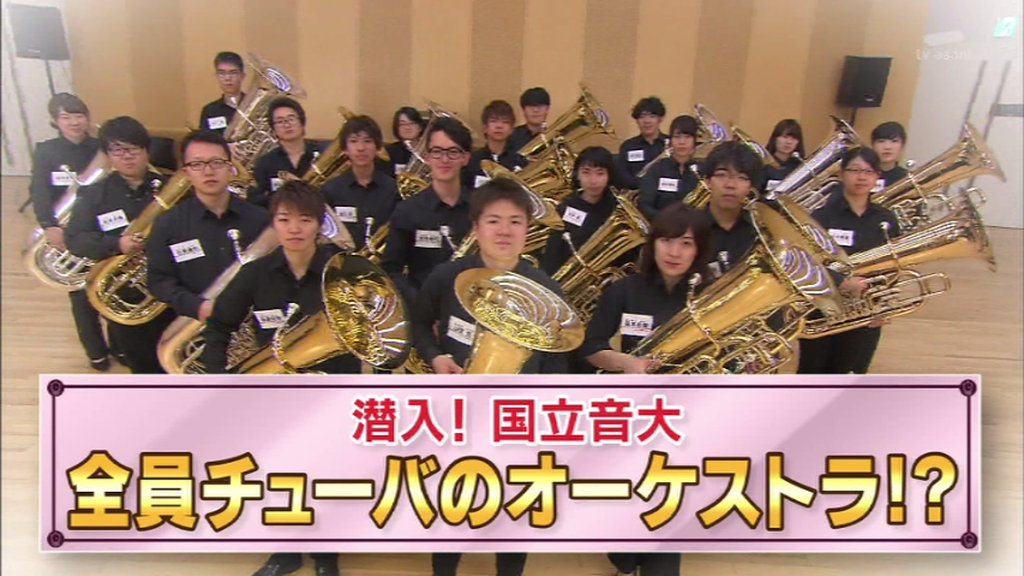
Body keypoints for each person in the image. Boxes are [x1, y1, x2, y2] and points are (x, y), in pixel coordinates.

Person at [413, 178, 570, 576]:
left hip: (518, 418)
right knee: (452, 503)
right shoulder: (446, 276)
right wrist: (435, 356)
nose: (504, 231)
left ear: (528, 229)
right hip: (456, 412)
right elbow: (418, 324)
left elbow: (558, 358)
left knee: (515, 510)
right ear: (476, 227)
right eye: (493, 220)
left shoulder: (545, 289)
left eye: (515, 221)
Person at [65, 116, 175, 374]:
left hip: (171, 292)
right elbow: (75, 238)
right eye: (117, 150)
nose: (127, 156)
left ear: (146, 151)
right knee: (142, 367)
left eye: (133, 148)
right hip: (127, 298)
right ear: (107, 155)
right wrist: (116, 243)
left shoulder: (170, 188)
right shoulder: (94, 194)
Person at [29, 93, 115, 370]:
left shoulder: (101, 148)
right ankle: (96, 352)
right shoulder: (47, 151)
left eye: (79, 115)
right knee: (80, 295)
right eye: (66, 117)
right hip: (68, 232)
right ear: (55, 121)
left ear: (87, 118)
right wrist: (49, 225)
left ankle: (121, 346)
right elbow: (40, 191)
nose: (74, 122)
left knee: (111, 287)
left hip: (102, 229)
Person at [147, 130, 269, 324]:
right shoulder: (168, 224)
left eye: (217, 162)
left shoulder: (260, 219)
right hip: (196, 325)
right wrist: (196, 306)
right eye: (197, 164)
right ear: (186, 173)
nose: (208, 171)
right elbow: (159, 280)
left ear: (230, 168)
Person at [798, 147, 901, 374]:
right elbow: (807, 261)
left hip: (865, 311)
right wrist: (841, 282)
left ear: (877, 176)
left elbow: (895, 265)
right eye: (854, 170)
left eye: (868, 171)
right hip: (823, 308)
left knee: (852, 372)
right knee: (812, 372)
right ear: (841, 174)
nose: (861, 177)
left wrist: (883, 305)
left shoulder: (886, 219)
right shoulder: (820, 217)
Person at [581, 202, 711, 377]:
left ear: (699, 250)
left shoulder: (711, 295)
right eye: (666, 240)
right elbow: (591, 347)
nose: (674, 253)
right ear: (653, 244)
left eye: (686, 244)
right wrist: (625, 362)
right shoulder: (624, 290)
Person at [380, 117, 473, 302]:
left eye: (453, 152)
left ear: (466, 158)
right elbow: (391, 270)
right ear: (427, 157)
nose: (444, 159)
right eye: (437, 151)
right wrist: (421, 301)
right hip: (422, 309)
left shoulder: (480, 209)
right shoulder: (407, 211)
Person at [320, 115, 400, 250]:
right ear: (345, 149)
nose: (361, 148)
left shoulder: (393, 189)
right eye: (354, 141)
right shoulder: (330, 190)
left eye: (367, 141)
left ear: (377, 147)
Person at [539, 146, 620, 275]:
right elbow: (552, 255)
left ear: (609, 176)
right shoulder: (565, 209)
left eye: (600, 173)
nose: (593, 180)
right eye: (586, 172)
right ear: (577, 174)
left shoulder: (617, 209)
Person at [702, 141, 762, 280]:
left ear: (750, 187)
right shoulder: (689, 229)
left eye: (742, 177)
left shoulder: (759, 233)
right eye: (722, 175)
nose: (730, 185)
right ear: (708, 181)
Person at [248, 97, 321, 207]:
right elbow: (255, 199)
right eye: (280, 121)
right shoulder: (265, 162)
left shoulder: (322, 154)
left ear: (302, 123)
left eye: (291, 119)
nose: (287, 125)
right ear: (273, 130)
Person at [637, 115, 701, 220]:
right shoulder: (656, 170)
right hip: (661, 225)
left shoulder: (702, 172)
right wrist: (666, 219)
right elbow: (645, 205)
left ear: (695, 141)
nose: (682, 142)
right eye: (677, 137)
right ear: (670, 140)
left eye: (687, 137)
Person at [463, 100, 529, 188]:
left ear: (511, 129)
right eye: (493, 121)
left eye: (505, 122)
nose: (499, 126)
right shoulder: (472, 160)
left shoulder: (520, 161)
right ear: (485, 128)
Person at [616, 96, 668, 190]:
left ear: (660, 119)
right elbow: (623, 179)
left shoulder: (671, 144)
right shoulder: (628, 146)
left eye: (652, 116)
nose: (647, 121)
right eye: (641, 117)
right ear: (636, 121)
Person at [199, 51, 246, 135]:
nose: (227, 78)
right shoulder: (210, 111)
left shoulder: (254, 106)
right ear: (216, 76)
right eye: (222, 73)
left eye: (233, 73)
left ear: (242, 76)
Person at [762, 118, 806, 191]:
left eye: (793, 138)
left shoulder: (801, 166)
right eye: (785, 137)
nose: (789, 142)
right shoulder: (763, 163)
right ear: (775, 139)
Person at [384, 106, 427, 177]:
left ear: (420, 127)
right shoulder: (389, 151)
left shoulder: (428, 150)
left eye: (412, 123)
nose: (407, 127)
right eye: (402, 124)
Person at [508, 86, 551, 153]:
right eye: (531, 106)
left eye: (540, 106)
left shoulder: (552, 137)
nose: (535, 110)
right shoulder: (510, 137)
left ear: (547, 109)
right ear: (523, 109)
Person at [871, 121, 909, 189]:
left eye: (894, 141)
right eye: (881, 141)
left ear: (902, 145)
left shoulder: (906, 179)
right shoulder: (863, 175)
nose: (887, 147)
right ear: (873, 145)